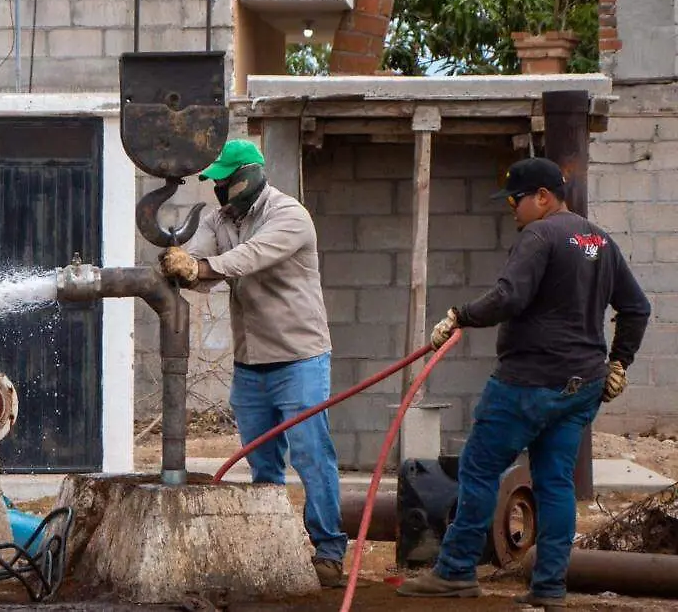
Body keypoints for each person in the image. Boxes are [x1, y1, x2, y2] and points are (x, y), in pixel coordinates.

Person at [396, 157, 651, 607]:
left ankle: (455, 571)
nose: (511, 209)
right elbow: (637, 307)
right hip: (581, 386)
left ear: (543, 197)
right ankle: (549, 587)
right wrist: (619, 363)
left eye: (516, 199)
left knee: (479, 469)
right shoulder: (600, 240)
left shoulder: (540, 234)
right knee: (555, 483)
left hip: (528, 383)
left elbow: (508, 297)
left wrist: (460, 315)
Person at [159, 139, 348, 588]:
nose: (218, 190)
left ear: (247, 177)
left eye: (223, 182)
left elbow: (250, 258)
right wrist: (179, 261)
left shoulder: (289, 216)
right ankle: (275, 548)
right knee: (263, 464)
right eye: (215, 183)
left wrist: (199, 269)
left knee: (310, 455)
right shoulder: (218, 219)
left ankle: (329, 553)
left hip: (299, 358)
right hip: (251, 361)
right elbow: (198, 255)